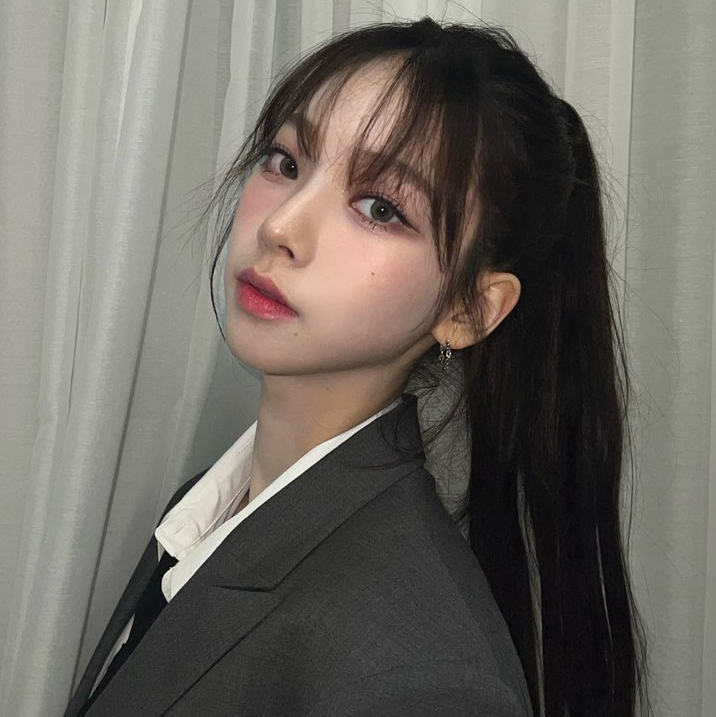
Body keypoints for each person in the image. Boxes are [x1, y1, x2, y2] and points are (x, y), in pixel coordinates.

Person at [64, 15, 651, 717]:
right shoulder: (202, 510)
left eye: (380, 207)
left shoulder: (423, 680)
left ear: (469, 309)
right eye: (286, 162)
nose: (281, 227)